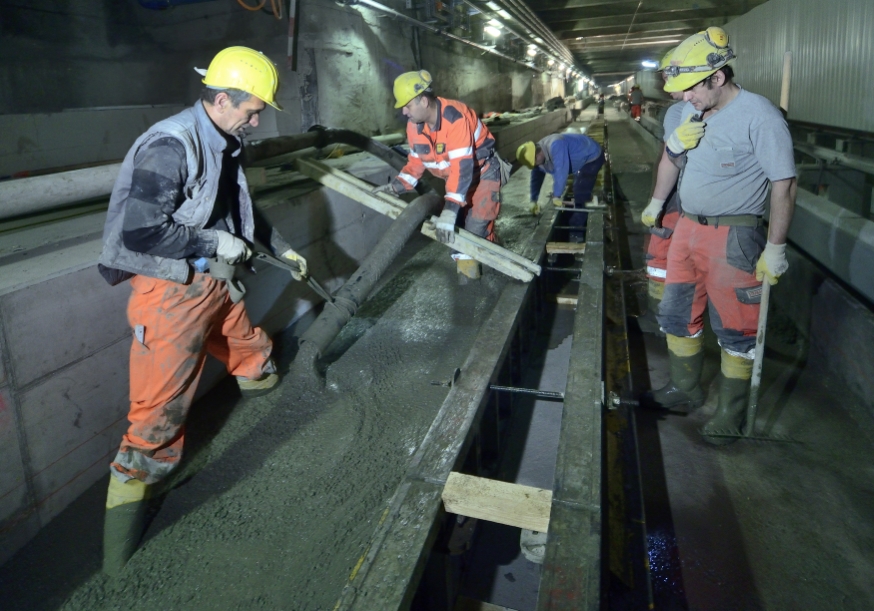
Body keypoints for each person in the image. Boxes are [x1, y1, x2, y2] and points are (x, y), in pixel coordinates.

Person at [97, 46, 308, 574]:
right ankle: (117, 560)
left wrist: (279, 247)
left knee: (251, 349)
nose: (257, 121)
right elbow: (142, 229)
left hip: (214, 283)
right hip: (171, 295)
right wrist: (215, 242)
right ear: (220, 99)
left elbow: (239, 207)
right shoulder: (171, 145)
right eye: (253, 110)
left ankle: (273, 421)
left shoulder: (224, 139)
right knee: (157, 416)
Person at [644, 27, 797, 445]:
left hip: (734, 234)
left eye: (689, 88)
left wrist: (776, 248)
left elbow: (784, 185)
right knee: (678, 313)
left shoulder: (759, 116)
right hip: (687, 227)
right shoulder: (684, 114)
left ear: (717, 77)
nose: (682, 97)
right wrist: (658, 203)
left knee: (737, 326)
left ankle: (730, 412)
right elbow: (671, 160)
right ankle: (685, 387)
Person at [379, 70, 502, 278]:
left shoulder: (455, 118)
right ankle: (471, 274)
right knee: (459, 230)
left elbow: (462, 167)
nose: (404, 112)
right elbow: (416, 163)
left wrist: (450, 209)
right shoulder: (414, 127)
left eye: (408, 106)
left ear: (424, 102)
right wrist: (395, 187)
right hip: (456, 179)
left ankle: (490, 266)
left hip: (482, 173)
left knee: (474, 227)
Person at [637, 47, 685, 334]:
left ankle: (660, 313)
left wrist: (658, 201)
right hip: (684, 199)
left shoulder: (678, 111)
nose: (666, 87)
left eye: (669, 79)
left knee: (660, 252)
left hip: (679, 200)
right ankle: (664, 311)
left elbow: (668, 160)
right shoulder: (681, 109)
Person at [516, 133, 604, 242]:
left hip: (592, 157)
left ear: (537, 154)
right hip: (578, 160)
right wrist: (533, 200)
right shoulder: (537, 154)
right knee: (578, 185)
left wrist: (556, 195)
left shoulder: (556, 145)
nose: (536, 166)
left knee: (580, 191)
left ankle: (576, 232)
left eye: (535, 163)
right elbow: (536, 178)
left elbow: (561, 172)